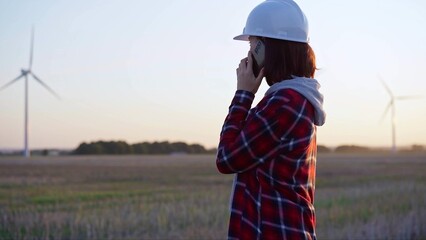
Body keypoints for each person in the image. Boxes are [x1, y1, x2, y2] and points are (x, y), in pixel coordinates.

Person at [216, 0, 326, 239]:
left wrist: (243, 94)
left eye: (253, 43)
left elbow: (226, 158)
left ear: (266, 48)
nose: (248, 53)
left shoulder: (283, 104)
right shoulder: (297, 98)